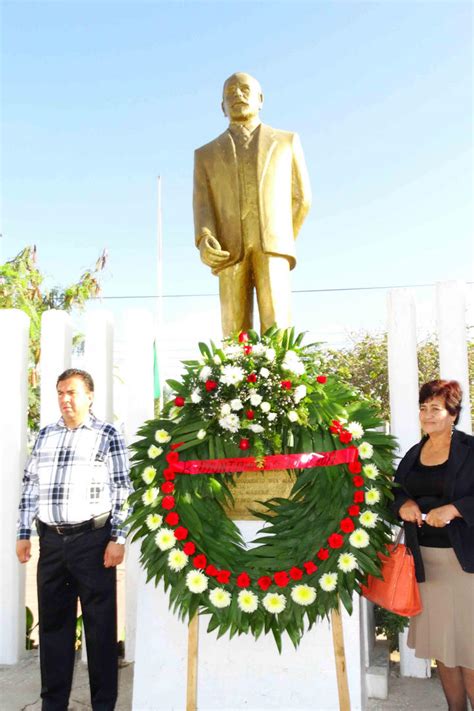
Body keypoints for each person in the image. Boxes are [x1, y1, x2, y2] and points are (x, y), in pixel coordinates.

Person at [16, 368, 132, 711]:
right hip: (51, 544)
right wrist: (24, 533)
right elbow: (30, 486)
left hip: (93, 542)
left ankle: (104, 705)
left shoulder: (107, 434)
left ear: (90, 396)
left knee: (99, 630)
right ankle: (53, 704)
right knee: (53, 629)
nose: (66, 399)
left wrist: (118, 537)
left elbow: (123, 488)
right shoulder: (45, 434)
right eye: (61, 393)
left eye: (73, 393)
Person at [193, 71, 312, 336]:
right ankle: (230, 379)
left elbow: (302, 198)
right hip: (228, 249)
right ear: (222, 106)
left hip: (274, 247)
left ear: (261, 99)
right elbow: (203, 204)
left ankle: (282, 379)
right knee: (233, 334)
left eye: (245, 89)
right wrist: (204, 238)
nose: (237, 95)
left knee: (278, 328)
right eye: (230, 92)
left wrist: (280, 238)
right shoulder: (205, 154)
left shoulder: (286, 141)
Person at [393, 380, 474, 710]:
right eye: (423, 408)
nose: (427, 415)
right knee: (443, 650)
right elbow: (397, 492)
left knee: (469, 651)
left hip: (465, 565)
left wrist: (455, 509)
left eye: (435, 409)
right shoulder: (414, 454)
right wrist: (403, 505)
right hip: (427, 565)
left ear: (453, 414)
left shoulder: (471, 450)